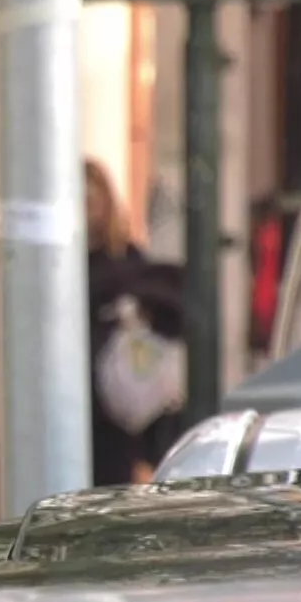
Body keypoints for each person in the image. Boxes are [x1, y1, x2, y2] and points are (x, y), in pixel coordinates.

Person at [86, 159, 188, 486]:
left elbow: (168, 310)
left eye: (89, 201)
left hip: (111, 417)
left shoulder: (125, 262)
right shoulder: (52, 265)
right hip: (70, 405)